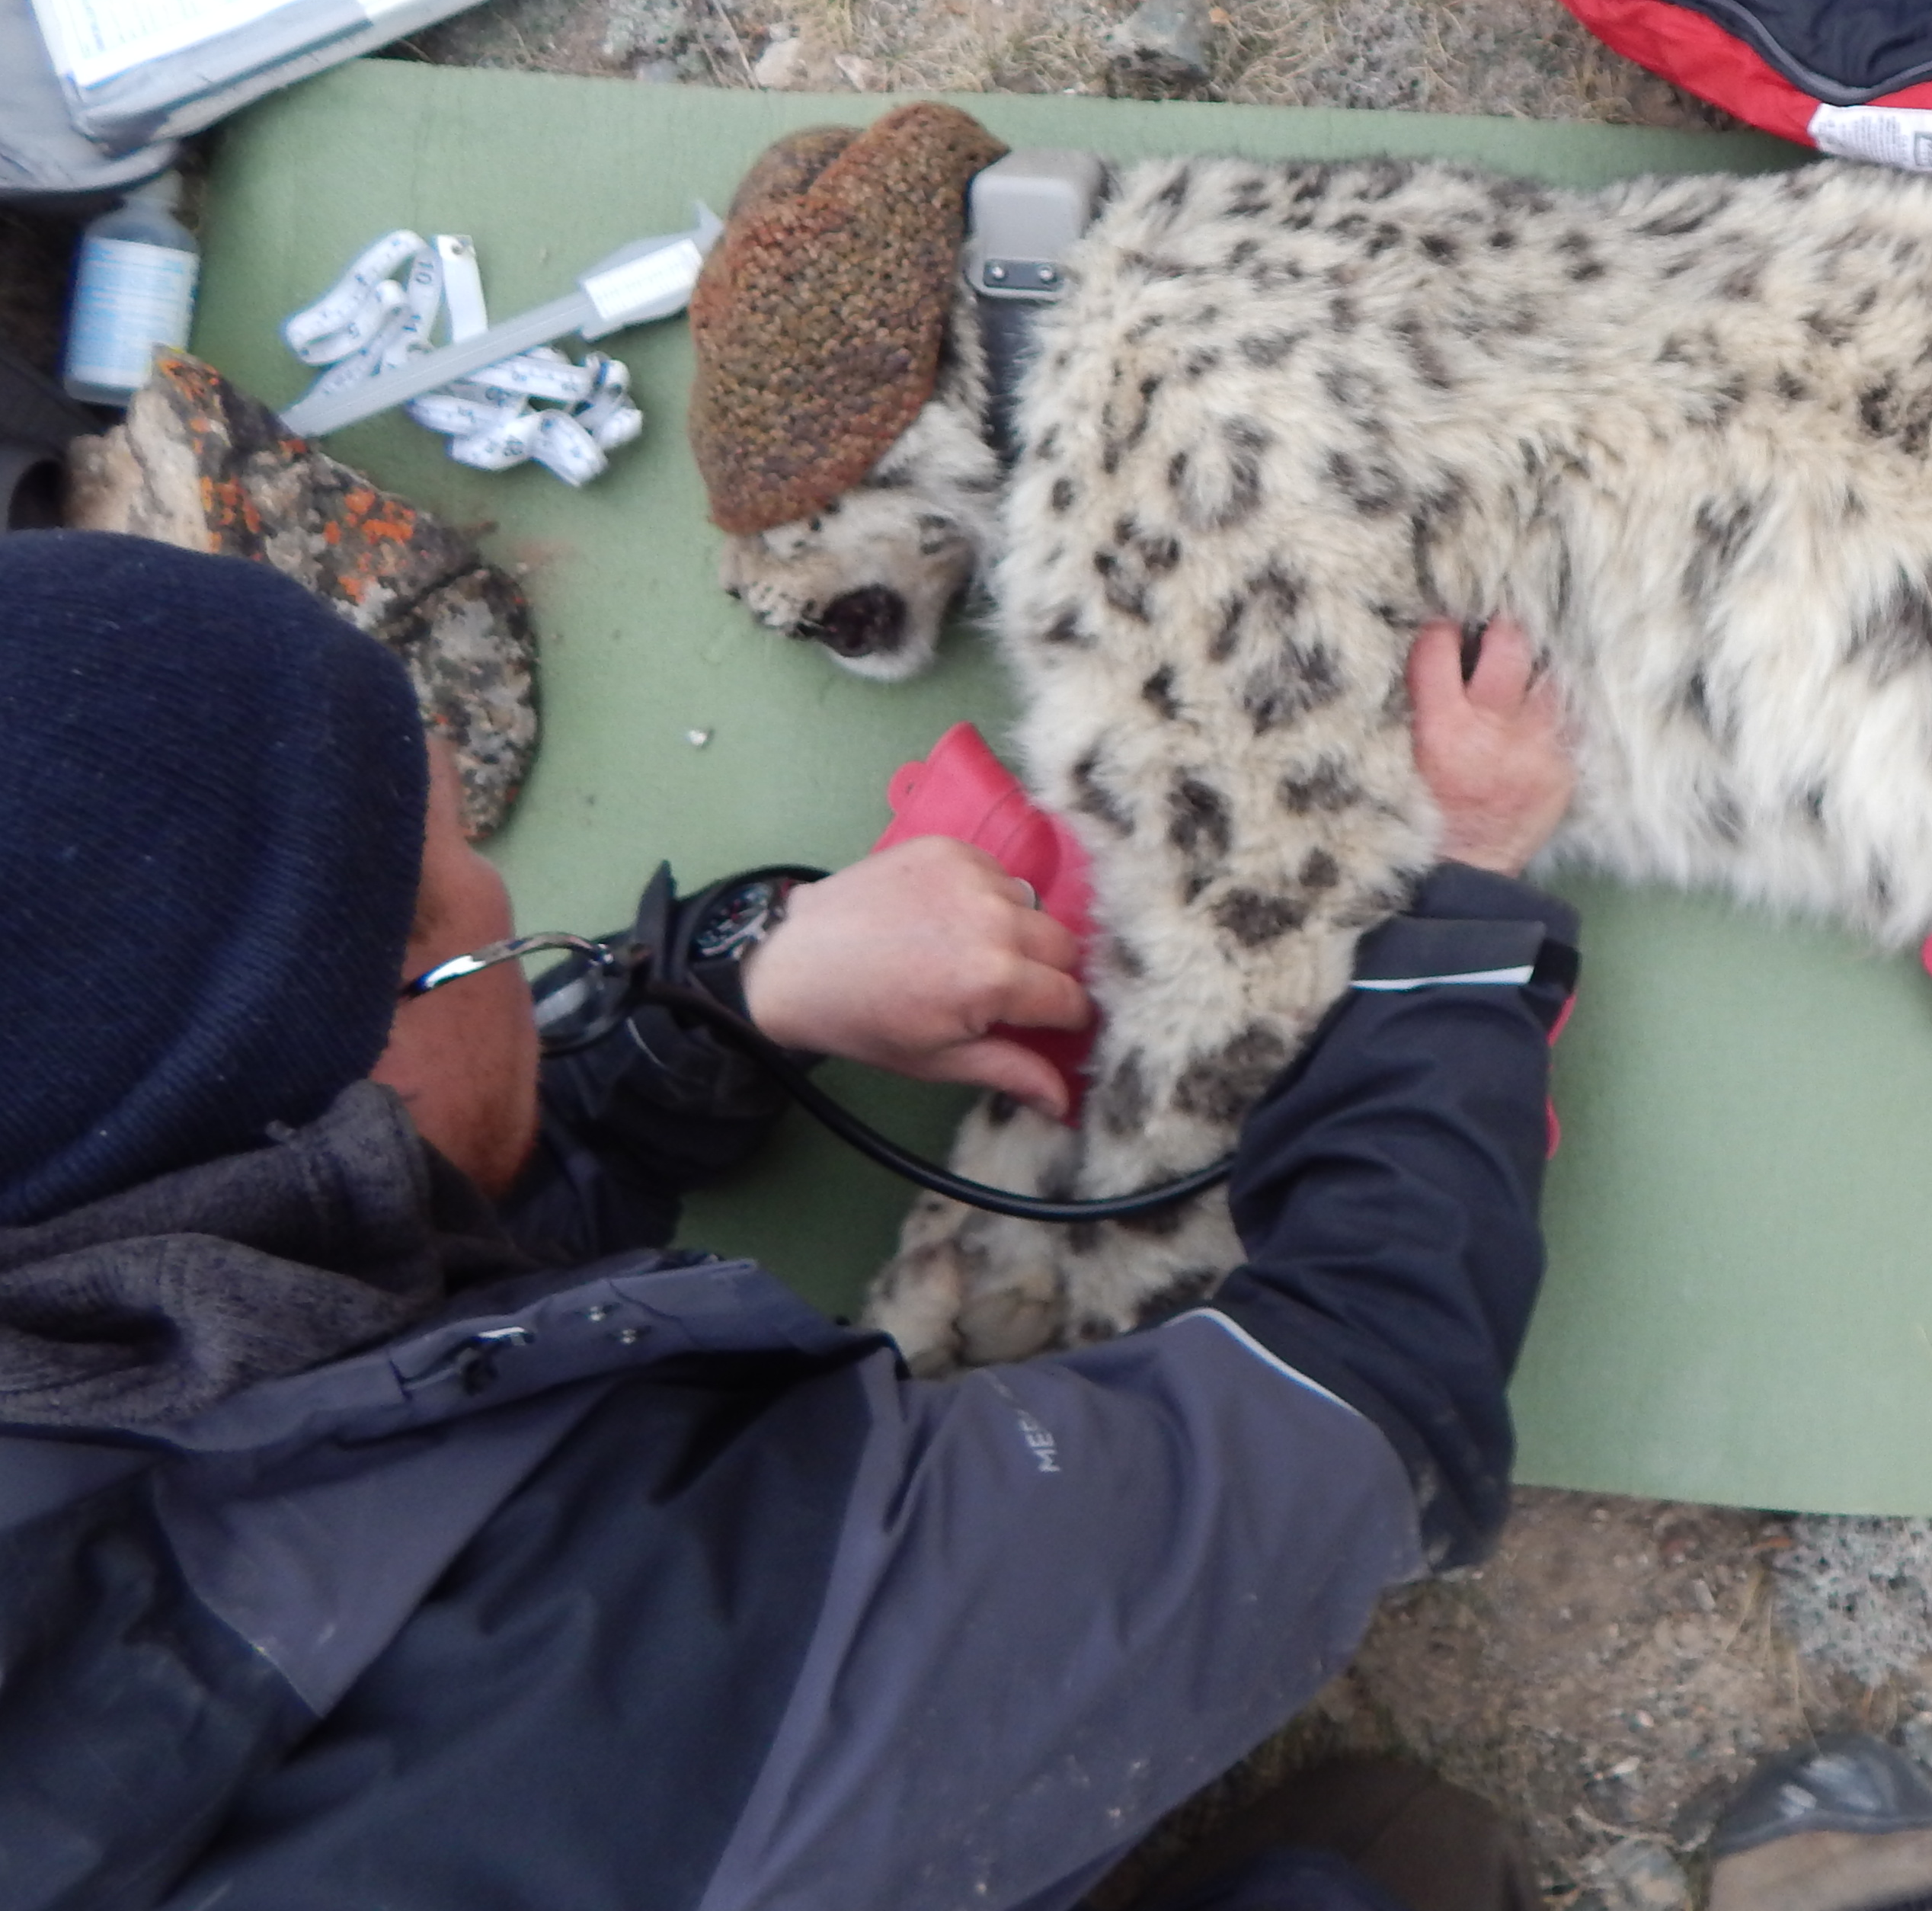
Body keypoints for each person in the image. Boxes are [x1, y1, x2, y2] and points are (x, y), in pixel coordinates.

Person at [0, 527, 1579, 1911]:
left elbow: (358, 1278)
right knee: (1391, 1851)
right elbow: (1359, 1407)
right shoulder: (675, 1654)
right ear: (386, 1043)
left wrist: (722, 994)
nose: (500, 897)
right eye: (457, 875)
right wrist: (1461, 912)